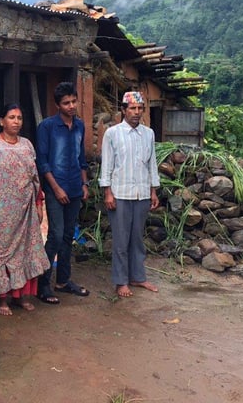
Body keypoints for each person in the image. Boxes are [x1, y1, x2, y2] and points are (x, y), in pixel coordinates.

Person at [0, 103, 50, 316]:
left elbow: (35, 177)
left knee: (26, 252)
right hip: (0, 213)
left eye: (19, 117)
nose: (16, 121)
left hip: (25, 211)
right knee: (0, 256)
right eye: (11, 117)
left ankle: (21, 296)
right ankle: (2, 300)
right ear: (2, 121)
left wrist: (38, 203)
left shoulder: (27, 145)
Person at [99, 91, 160, 298]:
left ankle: (138, 277)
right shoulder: (113, 134)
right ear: (123, 110)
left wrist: (153, 190)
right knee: (120, 240)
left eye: (140, 108)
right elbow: (107, 164)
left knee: (137, 238)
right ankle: (120, 281)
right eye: (132, 108)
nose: (136, 112)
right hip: (120, 194)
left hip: (141, 193)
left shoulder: (148, 134)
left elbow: (151, 164)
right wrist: (108, 192)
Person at [36, 82, 90, 304]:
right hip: (55, 189)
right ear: (57, 105)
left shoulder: (79, 126)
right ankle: (43, 285)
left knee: (69, 235)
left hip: (75, 187)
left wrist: (85, 184)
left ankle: (63, 281)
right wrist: (56, 188)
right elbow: (42, 161)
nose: (71, 106)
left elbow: (81, 158)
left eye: (74, 101)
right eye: (66, 103)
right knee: (55, 235)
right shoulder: (47, 127)